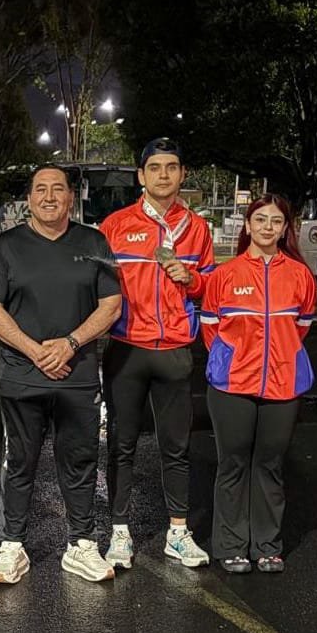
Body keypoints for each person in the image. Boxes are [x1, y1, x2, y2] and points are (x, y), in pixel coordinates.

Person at [0, 164, 122, 584]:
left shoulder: (94, 242)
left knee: (80, 461)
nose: (48, 197)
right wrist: (34, 350)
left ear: (70, 197)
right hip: (22, 376)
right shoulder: (5, 247)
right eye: (40, 189)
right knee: (19, 462)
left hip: (77, 375)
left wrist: (70, 344)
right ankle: (11, 546)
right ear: (29, 198)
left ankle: (81, 544)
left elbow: (111, 305)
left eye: (57, 189)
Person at [98, 137, 214, 570]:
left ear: (182, 174)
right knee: (121, 444)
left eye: (171, 167)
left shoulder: (197, 228)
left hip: (175, 349)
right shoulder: (115, 225)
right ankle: (120, 532)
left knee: (176, 446)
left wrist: (193, 279)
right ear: (141, 176)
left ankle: (178, 533)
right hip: (127, 348)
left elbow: (210, 286)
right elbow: (98, 286)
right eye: (154, 168)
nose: (163, 175)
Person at [201, 194, 317, 574]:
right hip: (232, 385)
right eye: (261, 220)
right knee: (232, 464)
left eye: (276, 221)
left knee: (269, 465)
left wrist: (280, 357)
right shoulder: (225, 275)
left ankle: (267, 545)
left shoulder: (300, 276)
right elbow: (210, 326)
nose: (268, 227)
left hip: (284, 385)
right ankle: (231, 545)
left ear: (285, 230)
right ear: (248, 226)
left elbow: (302, 325)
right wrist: (234, 360)